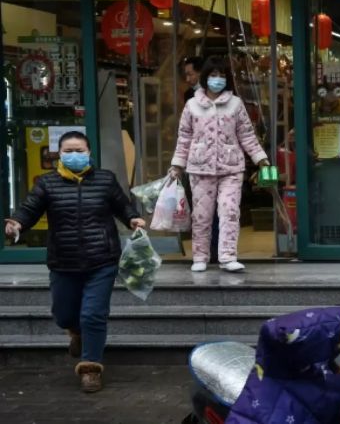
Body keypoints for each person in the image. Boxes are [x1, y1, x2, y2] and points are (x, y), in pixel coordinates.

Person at [4, 131, 145, 393]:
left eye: (79, 150)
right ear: (60, 153)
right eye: (68, 151)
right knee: (64, 314)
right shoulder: (48, 183)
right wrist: (17, 223)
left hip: (102, 259)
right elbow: (30, 208)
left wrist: (132, 218)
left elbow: (122, 205)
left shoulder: (105, 179)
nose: (74, 155)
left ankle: (91, 368)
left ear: (89, 152)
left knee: (93, 314)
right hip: (63, 261)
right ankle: (75, 333)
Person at [171, 56, 270, 273]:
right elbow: (184, 137)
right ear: (205, 77)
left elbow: (246, 134)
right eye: (214, 75)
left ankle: (227, 256)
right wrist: (177, 165)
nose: (218, 79)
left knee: (229, 210)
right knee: (202, 215)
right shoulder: (192, 105)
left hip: (231, 167)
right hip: (200, 167)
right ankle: (200, 256)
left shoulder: (236, 104)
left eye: (222, 76)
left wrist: (260, 158)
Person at [182, 56, 220, 263]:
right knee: (202, 210)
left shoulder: (224, 97)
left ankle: (218, 250)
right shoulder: (190, 97)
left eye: (190, 73)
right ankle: (204, 252)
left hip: (220, 160)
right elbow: (186, 131)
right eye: (186, 74)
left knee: (218, 209)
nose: (188, 78)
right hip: (198, 160)